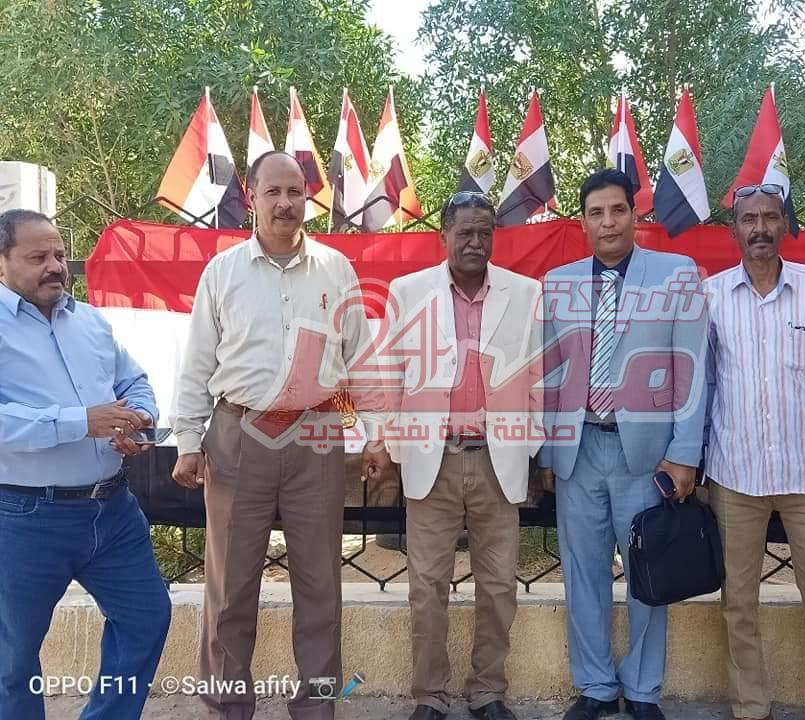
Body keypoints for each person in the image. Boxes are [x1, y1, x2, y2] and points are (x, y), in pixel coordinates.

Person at [171, 151, 389, 720]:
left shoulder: (336, 269)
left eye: (296, 192)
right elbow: (196, 364)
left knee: (320, 586)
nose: (286, 203)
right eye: (274, 192)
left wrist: (376, 434)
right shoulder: (223, 272)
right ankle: (227, 707)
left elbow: (361, 359)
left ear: (307, 199)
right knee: (230, 587)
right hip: (237, 436)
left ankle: (317, 707)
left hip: (317, 434)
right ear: (251, 196)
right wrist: (188, 442)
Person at [538, 169, 709, 720]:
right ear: (583, 222)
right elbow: (549, 373)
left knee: (647, 571)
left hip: (648, 456)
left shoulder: (676, 275)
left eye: (617, 210)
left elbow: (692, 370)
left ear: (635, 215)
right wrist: (548, 452)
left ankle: (642, 689)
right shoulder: (558, 283)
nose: (607, 222)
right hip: (579, 450)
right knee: (582, 572)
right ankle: (594, 686)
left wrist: (684, 454)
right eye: (596, 213)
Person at [0, 209, 171, 719]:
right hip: (24, 518)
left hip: (113, 511)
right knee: (13, 658)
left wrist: (139, 418)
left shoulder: (90, 321)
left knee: (145, 618)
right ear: (2, 262)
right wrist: (81, 422)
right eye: (38, 257)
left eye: (59, 254)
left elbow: (132, 381)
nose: (56, 266)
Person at [383, 191, 544, 720]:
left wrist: (529, 445)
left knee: (498, 588)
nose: (476, 242)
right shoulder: (408, 293)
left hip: (499, 462)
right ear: (444, 236)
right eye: (465, 232)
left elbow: (538, 377)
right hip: (433, 462)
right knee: (426, 588)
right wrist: (393, 446)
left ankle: (488, 690)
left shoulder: (525, 294)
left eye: (484, 233)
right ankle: (430, 695)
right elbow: (391, 376)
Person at [704, 184, 805, 720]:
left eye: (770, 217)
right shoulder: (712, 295)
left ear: (785, 225)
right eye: (749, 219)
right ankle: (751, 708)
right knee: (738, 604)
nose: (760, 228)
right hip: (735, 475)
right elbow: (705, 384)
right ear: (734, 230)